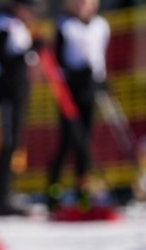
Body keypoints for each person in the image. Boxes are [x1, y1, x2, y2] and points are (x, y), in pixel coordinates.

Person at [45, 0, 110, 211]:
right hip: (70, 91)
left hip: (90, 88)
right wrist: (72, 77)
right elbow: (59, 62)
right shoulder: (65, 25)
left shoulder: (101, 26)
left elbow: (99, 58)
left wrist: (101, 81)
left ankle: (83, 197)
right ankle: (53, 194)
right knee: (68, 142)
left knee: (85, 144)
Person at [0, 0, 40, 216]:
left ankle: (8, 192)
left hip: (18, 91)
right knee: (6, 144)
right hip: (7, 92)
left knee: (14, 144)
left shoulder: (18, 25)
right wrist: (30, 49)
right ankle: (1, 197)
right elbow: (4, 60)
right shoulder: (2, 24)